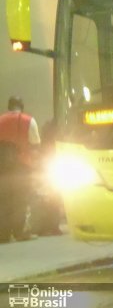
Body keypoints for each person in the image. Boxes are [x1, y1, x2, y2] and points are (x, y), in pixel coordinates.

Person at [0, 96, 40, 242]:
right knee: (20, 200)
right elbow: (35, 142)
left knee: (3, 200)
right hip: (22, 165)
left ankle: (2, 234)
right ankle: (19, 232)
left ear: (9, 107)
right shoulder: (28, 120)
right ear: (21, 106)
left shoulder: (1, 120)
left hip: (2, 168)